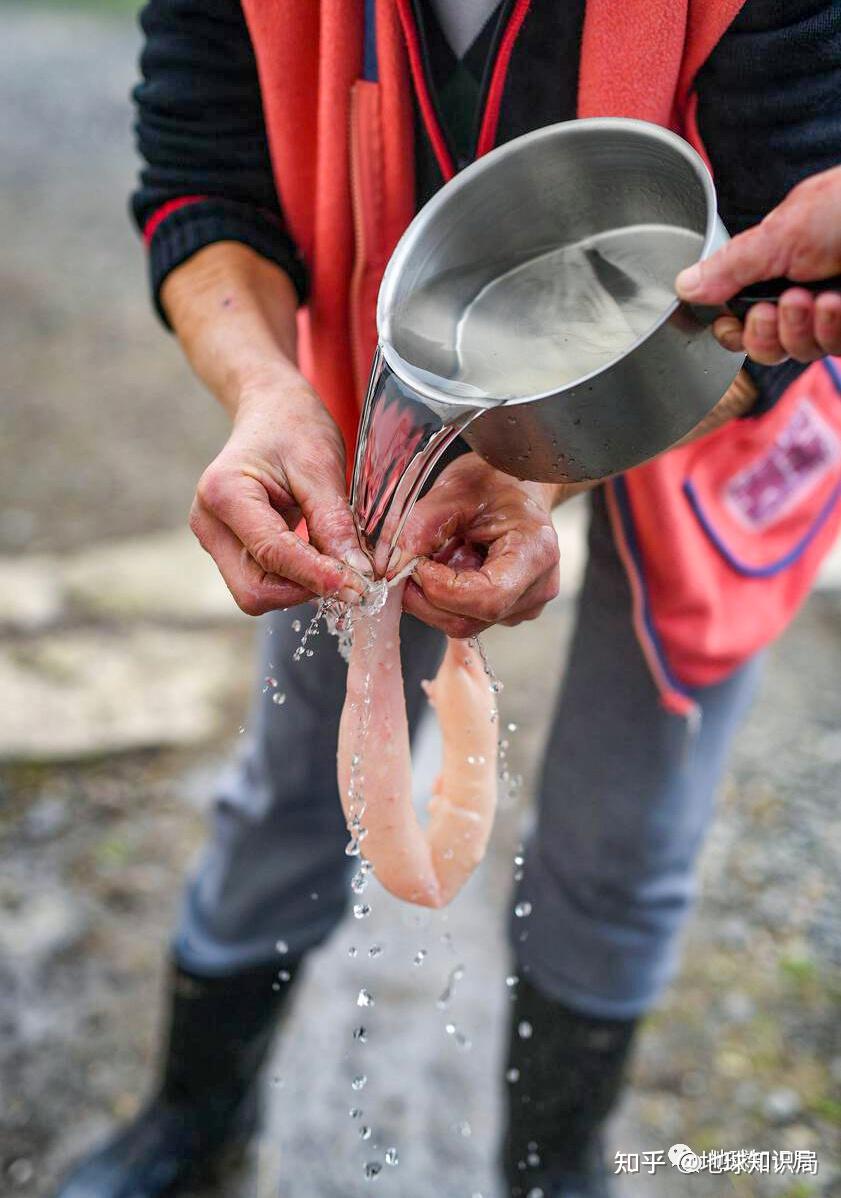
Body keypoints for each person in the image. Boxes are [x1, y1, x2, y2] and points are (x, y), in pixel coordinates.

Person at [57, 3, 841, 1197]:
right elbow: (198, 179)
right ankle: (192, 1115)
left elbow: (788, 248)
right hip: (388, 406)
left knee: (623, 829)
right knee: (296, 779)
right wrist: (265, 395)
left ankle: (558, 1162)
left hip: (711, 402)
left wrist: (553, 465)